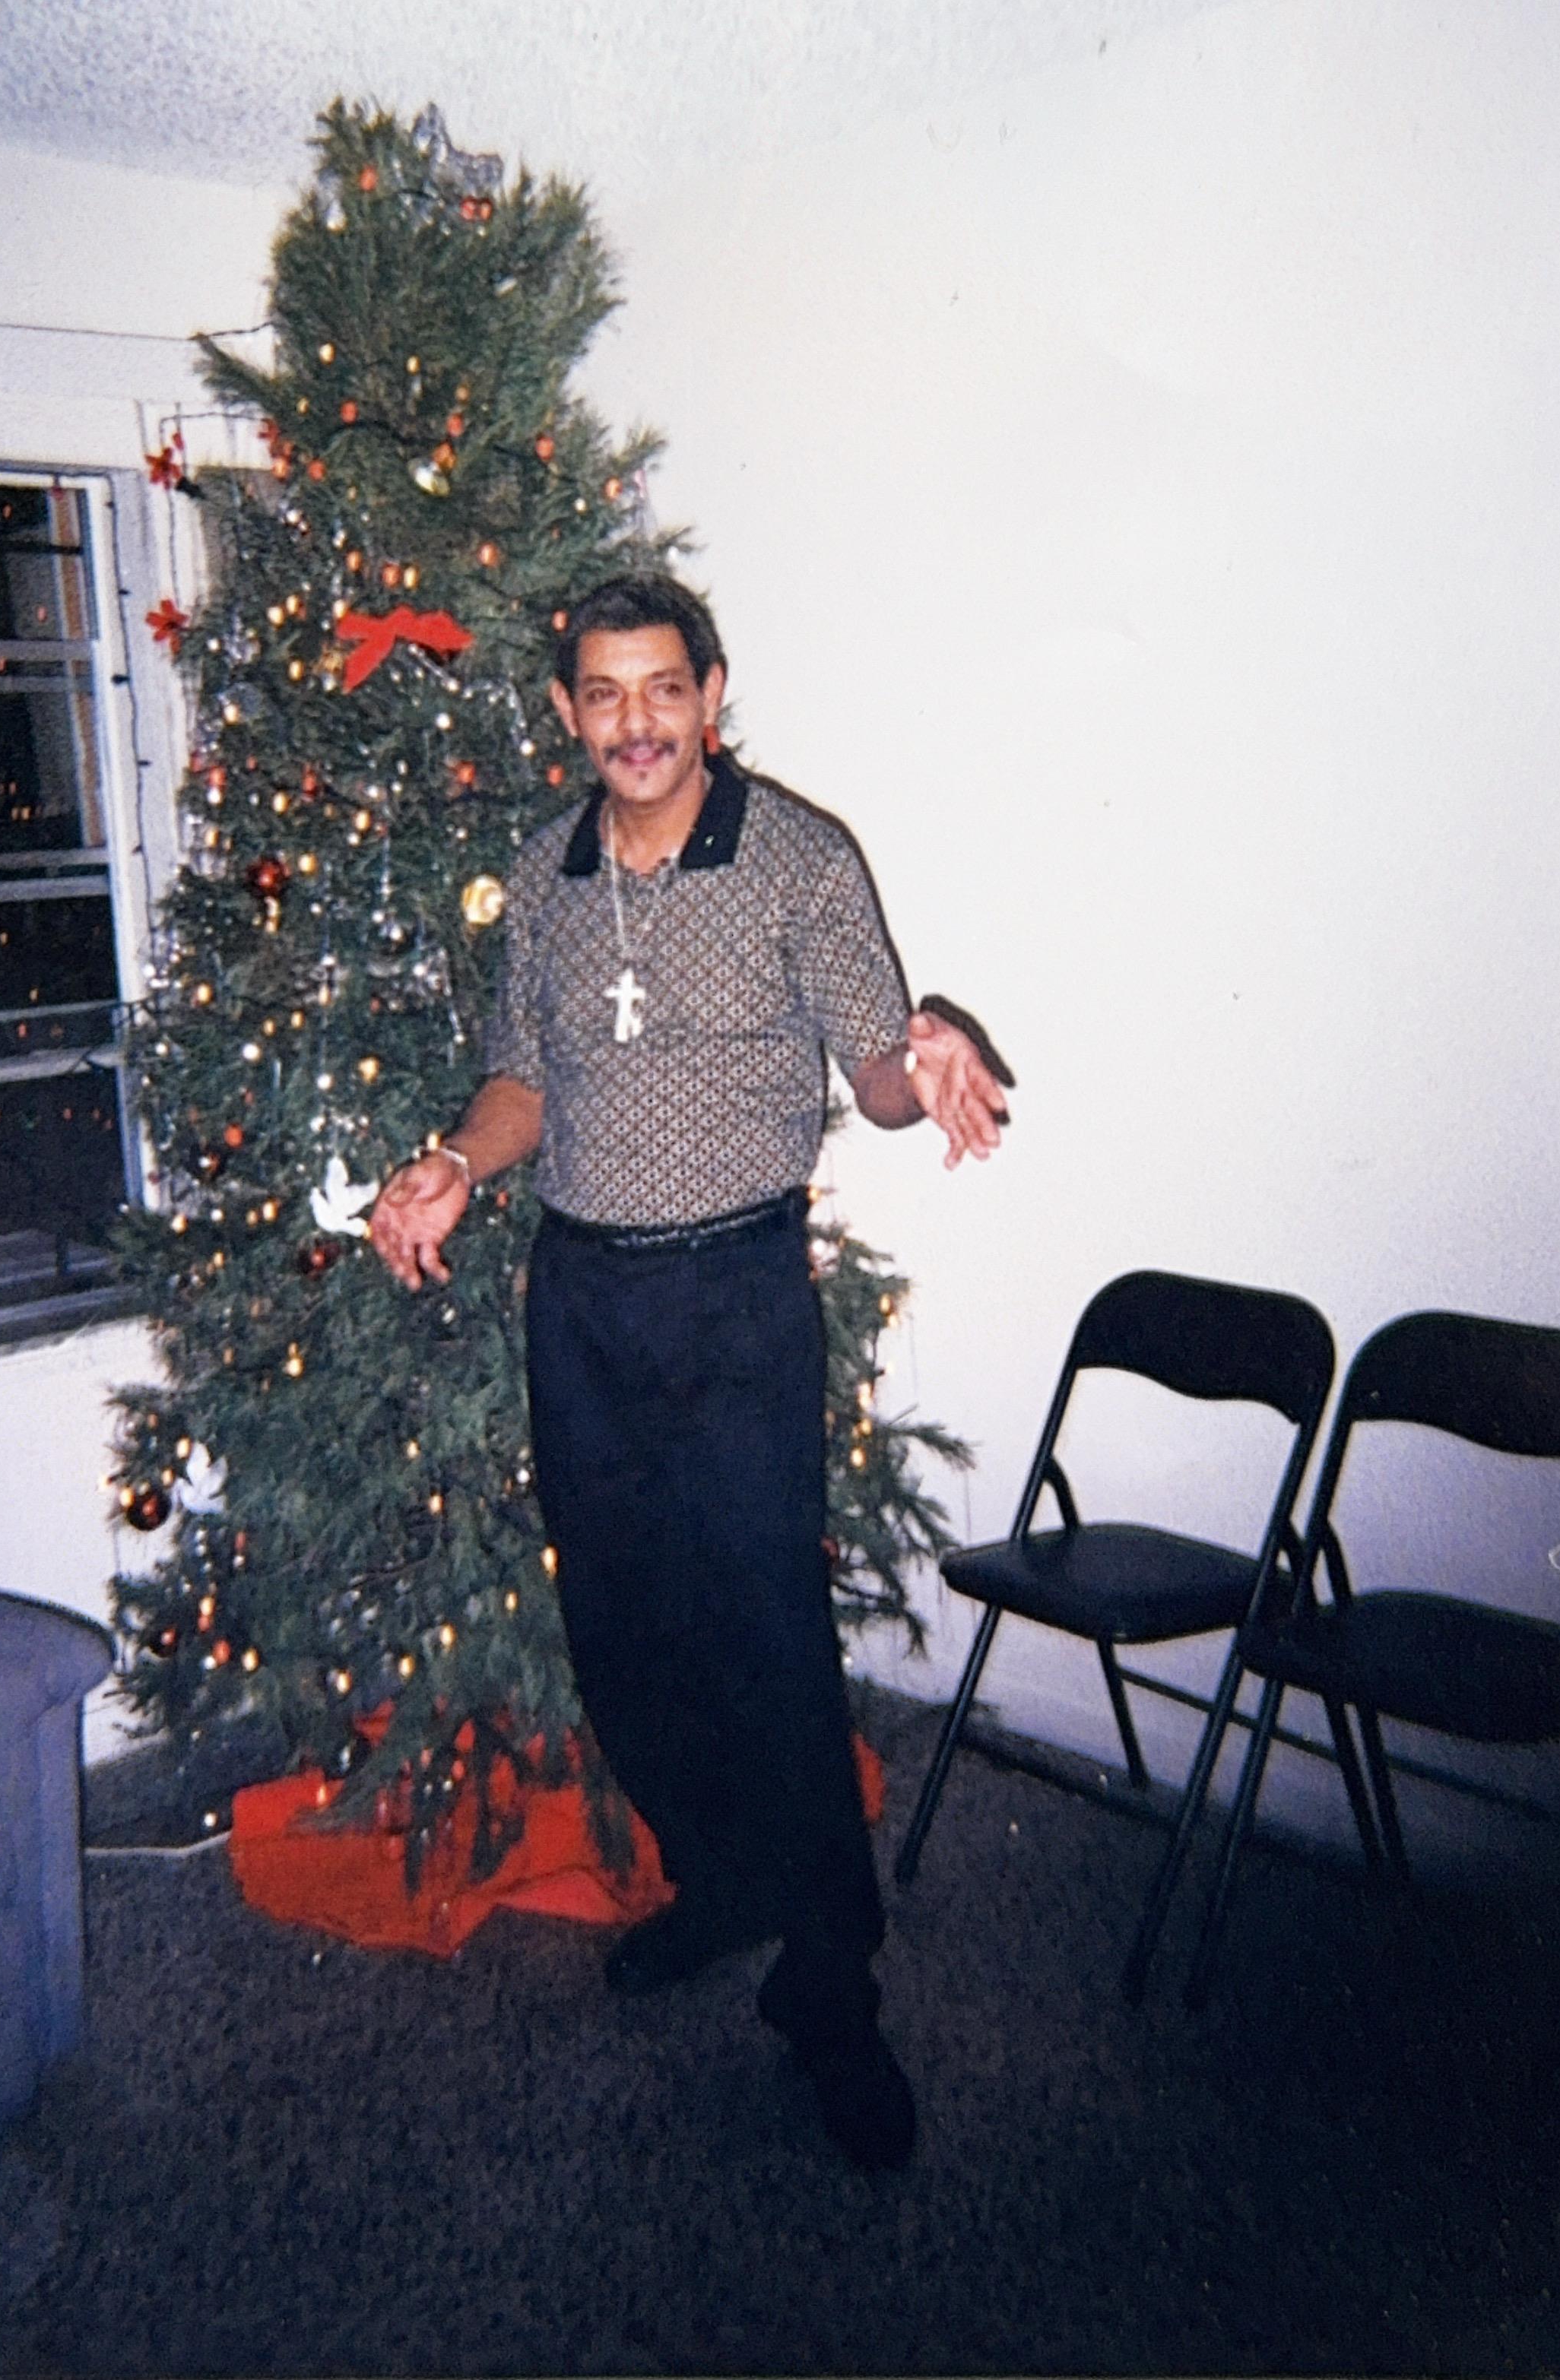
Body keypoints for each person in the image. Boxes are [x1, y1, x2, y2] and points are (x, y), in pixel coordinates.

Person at [370, 569, 1007, 2169]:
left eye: (667, 689)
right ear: (566, 711)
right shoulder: (546, 872)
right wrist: (457, 1160)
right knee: (623, 1632)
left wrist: (919, 1050)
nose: (638, 723)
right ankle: (721, 1881)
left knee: (767, 1641)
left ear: (713, 693)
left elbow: (867, 1071)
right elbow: (526, 1077)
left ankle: (832, 1989)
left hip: (732, 1298)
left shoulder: (801, 856)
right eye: (606, 694)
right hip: (581, 1297)